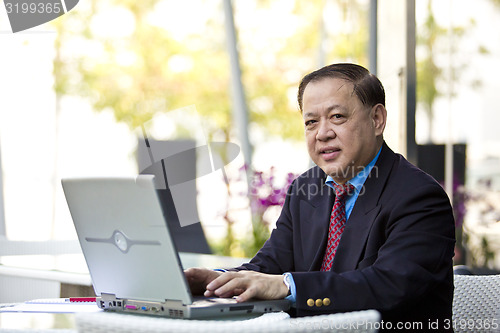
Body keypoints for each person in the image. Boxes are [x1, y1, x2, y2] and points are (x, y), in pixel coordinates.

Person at [185, 63, 455, 330]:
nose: (323, 133)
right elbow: (269, 265)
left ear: (377, 120)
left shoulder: (419, 197)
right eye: (311, 122)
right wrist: (216, 281)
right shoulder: (305, 188)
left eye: (337, 117)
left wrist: (287, 285)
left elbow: (388, 286)